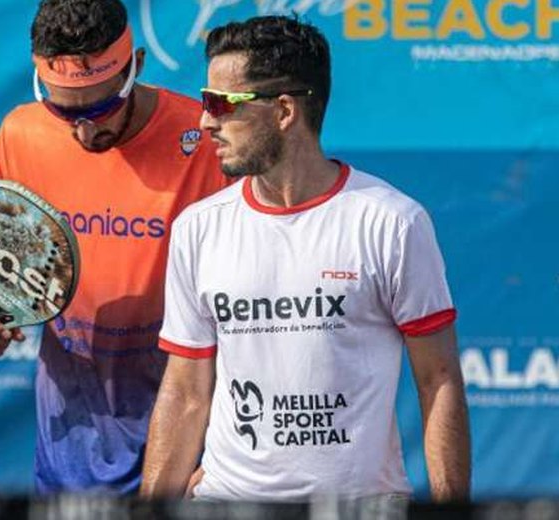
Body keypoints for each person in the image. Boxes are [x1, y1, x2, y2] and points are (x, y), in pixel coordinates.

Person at [140, 16, 471, 503]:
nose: (204, 120)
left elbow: (438, 379)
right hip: (226, 501)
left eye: (220, 104)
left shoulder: (392, 221)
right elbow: (185, 392)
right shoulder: (198, 227)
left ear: (284, 111)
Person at [0, 0, 228, 494]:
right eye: (62, 111)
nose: (84, 130)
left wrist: (227, 455)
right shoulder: (20, 133)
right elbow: (4, 272)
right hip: (67, 445)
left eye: (101, 109)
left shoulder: (208, 142)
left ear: (136, 66)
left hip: (188, 444)